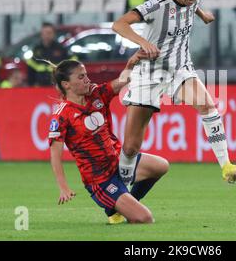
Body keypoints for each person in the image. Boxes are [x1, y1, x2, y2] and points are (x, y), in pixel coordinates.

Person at [112, 0, 236, 188]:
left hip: (180, 69)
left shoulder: (192, 0)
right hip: (150, 74)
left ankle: (227, 167)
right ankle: (116, 198)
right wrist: (144, 42)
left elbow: (193, 6)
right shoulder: (156, 5)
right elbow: (120, 24)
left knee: (208, 105)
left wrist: (203, 14)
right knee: (132, 147)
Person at [48, 50, 169, 224]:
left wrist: (130, 64)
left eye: (86, 75)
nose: (87, 79)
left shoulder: (96, 94)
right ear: (67, 84)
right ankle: (115, 206)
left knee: (161, 166)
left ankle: (120, 206)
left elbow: (121, 82)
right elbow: (55, 154)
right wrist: (63, 187)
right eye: (81, 77)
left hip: (119, 162)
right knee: (145, 218)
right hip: (100, 180)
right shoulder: (62, 115)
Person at [27, 22, 70, 86]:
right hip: (40, 86)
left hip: (57, 86)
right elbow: (31, 69)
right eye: (44, 33)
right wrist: (32, 84)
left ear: (54, 34)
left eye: (49, 33)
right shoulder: (36, 49)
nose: (46, 35)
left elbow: (69, 68)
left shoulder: (61, 49)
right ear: (41, 34)